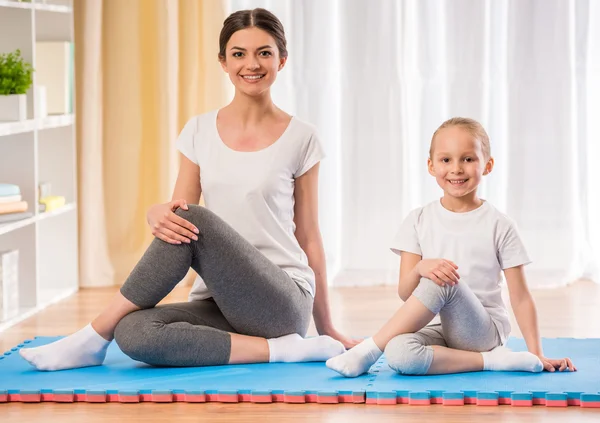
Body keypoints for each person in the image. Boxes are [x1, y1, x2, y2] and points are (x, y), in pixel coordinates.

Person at [20, 8, 357, 371]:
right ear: (223, 63)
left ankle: (91, 335)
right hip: (218, 301)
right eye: (238, 54)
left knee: (191, 220)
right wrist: (156, 212)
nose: (251, 64)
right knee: (133, 331)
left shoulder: (301, 136)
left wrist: (327, 327)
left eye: (264, 52)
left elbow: (309, 236)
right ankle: (281, 350)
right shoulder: (198, 131)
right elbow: (178, 215)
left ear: (282, 60)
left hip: (280, 300)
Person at [326, 117, 576, 377]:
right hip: (438, 330)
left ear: (487, 165)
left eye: (468, 159)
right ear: (431, 166)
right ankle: (491, 361)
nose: (456, 168)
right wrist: (421, 267)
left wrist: (536, 353)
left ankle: (367, 350)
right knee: (398, 352)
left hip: (482, 331)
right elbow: (406, 293)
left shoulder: (499, 224)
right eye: (446, 160)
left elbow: (521, 297)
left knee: (442, 278)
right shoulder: (418, 220)